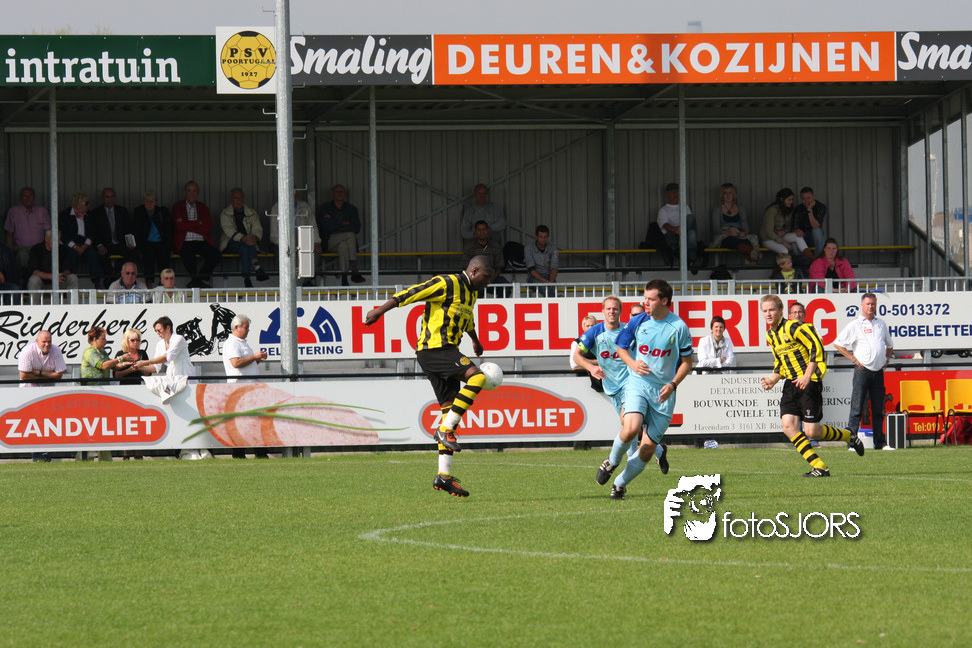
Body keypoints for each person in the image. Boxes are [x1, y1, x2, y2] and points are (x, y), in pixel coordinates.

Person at [364, 256, 494, 498]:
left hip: (446, 351)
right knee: (477, 378)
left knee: (450, 412)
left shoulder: (471, 294)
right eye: (486, 277)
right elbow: (414, 292)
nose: (487, 283)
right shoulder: (447, 283)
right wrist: (380, 310)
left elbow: (467, 319)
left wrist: (475, 340)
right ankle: (444, 429)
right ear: (474, 270)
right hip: (435, 349)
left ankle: (443, 477)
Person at [594, 280, 691, 500]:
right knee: (631, 428)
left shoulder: (679, 327)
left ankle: (620, 484)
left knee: (646, 450)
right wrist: (633, 363)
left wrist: (673, 384)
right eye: (644, 298)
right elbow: (621, 348)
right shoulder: (638, 321)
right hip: (638, 384)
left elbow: (687, 362)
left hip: (664, 394)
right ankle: (612, 462)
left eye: (650, 299)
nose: (645, 302)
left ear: (664, 301)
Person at [759, 294, 864, 477]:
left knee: (812, 431)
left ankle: (849, 436)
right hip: (791, 385)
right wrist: (772, 380)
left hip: (809, 383)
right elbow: (780, 363)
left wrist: (807, 376)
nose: (768, 314)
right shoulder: (771, 335)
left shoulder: (794, 327)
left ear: (781, 311)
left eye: (772, 310)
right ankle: (820, 466)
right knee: (788, 427)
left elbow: (816, 347)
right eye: (765, 311)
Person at [834, 292, 894, 450]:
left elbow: (889, 344)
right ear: (862, 305)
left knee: (878, 409)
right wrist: (853, 359)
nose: (870, 306)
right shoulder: (855, 324)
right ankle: (852, 442)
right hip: (862, 370)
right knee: (857, 407)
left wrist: (887, 360)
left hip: (878, 371)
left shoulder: (881, 323)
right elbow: (838, 343)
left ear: (876, 305)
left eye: (873, 304)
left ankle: (880, 443)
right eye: (868, 304)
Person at [223, 314, 270, 458]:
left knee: (255, 420)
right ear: (237, 327)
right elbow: (236, 363)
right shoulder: (232, 343)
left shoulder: (242, 342)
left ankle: (257, 452)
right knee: (245, 421)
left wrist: (257, 359)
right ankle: (241, 452)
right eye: (246, 327)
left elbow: (246, 363)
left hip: (249, 387)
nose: (248, 330)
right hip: (240, 387)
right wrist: (254, 357)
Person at [17, 330, 66, 462]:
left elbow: (59, 375)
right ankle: (37, 455)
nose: (47, 344)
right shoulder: (27, 351)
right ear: (37, 341)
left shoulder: (56, 350)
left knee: (47, 424)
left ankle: (44, 454)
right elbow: (24, 375)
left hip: (47, 395)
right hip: (28, 394)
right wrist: (48, 375)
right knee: (33, 425)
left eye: (49, 341)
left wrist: (37, 372)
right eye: (44, 341)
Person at [113, 327, 153, 459]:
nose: (136, 343)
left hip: (138, 389)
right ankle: (126, 453)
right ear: (127, 341)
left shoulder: (142, 354)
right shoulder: (121, 354)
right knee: (125, 422)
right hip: (125, 390)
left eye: (138, 340)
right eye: (133, 340)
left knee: (139, 421)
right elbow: (116, 375)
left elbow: (149, 373)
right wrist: (129, 369)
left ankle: (139, 453)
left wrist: (141, 367)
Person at [172, 181, 221, 288]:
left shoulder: (203, 207)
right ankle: (197, 281)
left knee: (216, 254)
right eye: (189, 190)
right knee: (188, 254)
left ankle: (199, 279)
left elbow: (207, 227)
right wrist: (198, 223)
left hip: (201, 241)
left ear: (198, 192)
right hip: (185, 241)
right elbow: (179, 226)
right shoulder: (178, 206)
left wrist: (186, 224)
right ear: (184, 192)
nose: (191, 193)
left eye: (194, 191)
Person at [219, 188, 268, 288]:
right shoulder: (225, 214)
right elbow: (229, 231)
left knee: (244, 248)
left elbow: (257, 229)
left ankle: (247, 279)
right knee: (245, 245)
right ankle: (256, 265)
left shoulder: (252, 213)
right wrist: (242, 238)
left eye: (241, 197)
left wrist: (254, 237)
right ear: (231, 200)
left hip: (248, 243)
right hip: (231, 243)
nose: (239, 200)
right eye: (236, 198)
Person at [317, 184, 364, 285]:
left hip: (344, 243)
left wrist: (335, 224)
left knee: (343, 246)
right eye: (337, 192)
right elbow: (325, 226)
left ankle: (344, 278)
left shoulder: (351, 209)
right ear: (332, 194)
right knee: (350, 234)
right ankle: (354, 269)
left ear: (345, 194)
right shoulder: (325, 208)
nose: (339, 194)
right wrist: (343, 223)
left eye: (341, 192)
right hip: (330, 241)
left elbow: (356, 227)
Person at [59, 190, 107, 289]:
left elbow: (92, 232)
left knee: (93, 255)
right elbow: (64, 234)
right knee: (70, 255)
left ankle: (96, 281)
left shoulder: (89, 215)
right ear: (78, 204)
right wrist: (75, 247)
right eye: (86, 203)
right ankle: (68, 282)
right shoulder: (65, 215)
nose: (88, 206)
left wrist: (84, 246)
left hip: (85, 244)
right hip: (70, 244)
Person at [270, 189, 319, 285]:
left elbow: (313, 226)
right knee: (288, 252)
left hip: (303, 239)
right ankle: (288, 282)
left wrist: (316, 241)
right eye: (291, 192)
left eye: (295, 192)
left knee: (315, 249)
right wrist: (284, 243)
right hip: (283, 241)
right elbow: (274, 233)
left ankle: (306, 280)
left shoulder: (304, 207)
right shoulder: (277, 208)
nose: (293, 195)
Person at [126, 190, 173, 288]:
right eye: (147, 201)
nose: (149, 204)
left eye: (152, 201)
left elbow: (168, 230)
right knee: (148, 255)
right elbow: (136, 231)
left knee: (164, 254)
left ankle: (163, 282)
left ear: (156, 202)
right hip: (146, 243)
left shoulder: (162, 212)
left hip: (160, 242)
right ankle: (149, 283)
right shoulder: (139, 212)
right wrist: (137, 247)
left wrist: (170, 247)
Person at [88, 187, 134, 282]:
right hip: (105, 245)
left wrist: (130, 242)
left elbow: (128, 229)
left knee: (135, 253)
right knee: (100, 256)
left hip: (120, 243)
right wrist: (99, 245)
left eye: (112, 197)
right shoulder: (96, 213)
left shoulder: (122, 211)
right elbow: (94, 232)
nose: (110, 199)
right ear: (102, 198)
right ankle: (111, 275)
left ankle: (115, 272)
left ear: (115, 197)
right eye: (107, 197)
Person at [710, 183, 761, 264]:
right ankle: (752, 255)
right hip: (725, 236)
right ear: (722, 196)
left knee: (747, 241)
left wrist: (743, 232)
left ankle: (751, 255)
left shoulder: (740, 209)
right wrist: (729, 232)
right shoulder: (717, 209)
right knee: (732, 241)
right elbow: (716, 229)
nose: (728, 196)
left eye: (730, 193)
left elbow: (746, 227)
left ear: (734, 195)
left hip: (738, 233)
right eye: (725, 193)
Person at [657, 182, 700, 271]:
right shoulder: (663, 210)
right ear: (667, 194)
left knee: (691, 229)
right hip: (672, 235)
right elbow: (665, 225)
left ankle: (692, 258)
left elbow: (690, 221)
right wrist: (675, 230)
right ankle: (691, 260)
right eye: (672, 192)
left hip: (684, 234)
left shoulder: (685, 206)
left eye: (677, 191)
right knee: (689, 233)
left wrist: (680, 229)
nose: (675, 194)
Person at [6, 186, 51, 270]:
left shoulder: (42, 211)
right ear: (20, 198)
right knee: (22, 255)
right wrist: (10, 252)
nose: (27, 198)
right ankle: (25, 274)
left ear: (34, 197)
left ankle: (38, 274)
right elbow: (9, 234)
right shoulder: (13, 211)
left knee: (40, 255)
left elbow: (48, 232)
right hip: (21, 247)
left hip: (38, 247)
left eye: (30, 195)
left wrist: (47, 247)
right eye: (24, 196)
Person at [760, 188, 812, 261]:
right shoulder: (772, 210)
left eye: (792, 200)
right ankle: (782, 267)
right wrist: (784, 242)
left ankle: (811, 259)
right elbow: (768, 231)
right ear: (782, 199)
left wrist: (784, 232)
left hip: (780, 236)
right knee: (784, 250)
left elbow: (789, 227)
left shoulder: (788, 210)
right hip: (768, 239)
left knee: (798, 236)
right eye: (789, 200)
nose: (791, 202)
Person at [460, 220, 505, 286]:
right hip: (475, 279)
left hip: (493, 278)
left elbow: (500, 266)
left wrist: (491, 279)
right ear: (475, 232)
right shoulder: (469, 247)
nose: (482, 232)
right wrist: (475, 278)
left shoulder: (495, 246)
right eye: (479, 230)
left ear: (488, 231)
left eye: (484, 230)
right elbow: (464, 266)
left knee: (505, 285)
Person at [570, 314, 603, 392]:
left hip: (604, 381)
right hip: (582, 383)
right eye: (587, 326)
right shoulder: (577, 342)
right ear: (583, 328)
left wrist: (583, 361)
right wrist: (598, 363)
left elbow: (611, 362)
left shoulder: (603, 341)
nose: (590, 328)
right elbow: (574, 365)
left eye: (592, 325)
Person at [524, 224, 558, 294]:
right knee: (545, 288)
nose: (543, 239)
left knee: (553, 288)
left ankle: (554, 300)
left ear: (548, 237)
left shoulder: (553, 247)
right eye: (541, 237)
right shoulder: (528, 248)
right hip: (534, 278)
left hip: (549, 277)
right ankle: (556, 300)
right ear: (536, 236)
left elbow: (554, 267)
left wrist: (551, 281)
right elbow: (531, 269)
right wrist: (546, 282)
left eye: (545, 237)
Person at [793, 186, 827, 254]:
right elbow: (794, 226)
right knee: (794, 243)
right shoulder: (798, 209)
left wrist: (809, 211)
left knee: (816, 231)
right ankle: (799, 260)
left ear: (813, 197)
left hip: (815, 237)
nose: (806, 201)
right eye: (803, 199)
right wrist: (797, 230)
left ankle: (820, 258)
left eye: (808, 198)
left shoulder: (820, 207)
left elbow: (815, 226)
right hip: (802, 237)